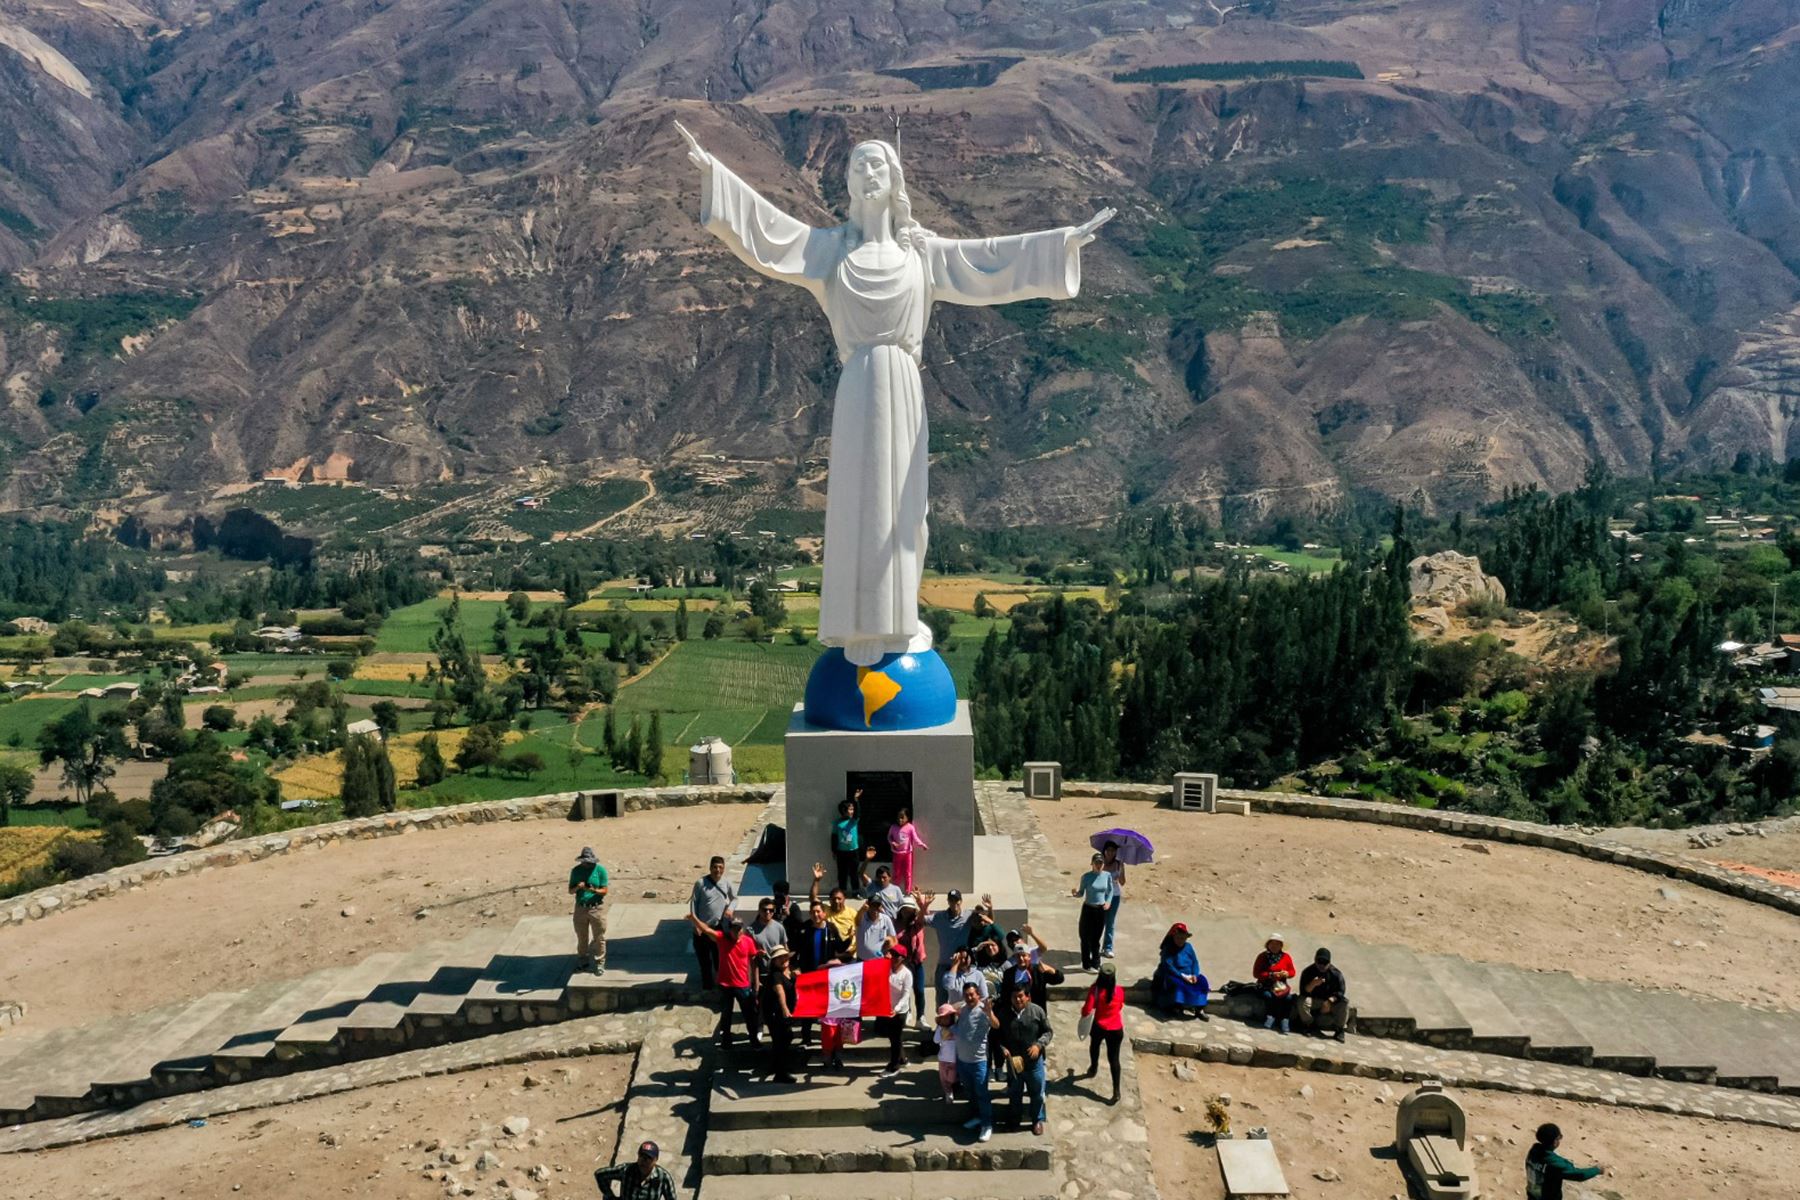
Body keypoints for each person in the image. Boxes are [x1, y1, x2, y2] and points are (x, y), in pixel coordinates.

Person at [687, 912, 757, 1051]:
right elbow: (707, 930)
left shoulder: (748, 941)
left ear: (742, 929)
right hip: (725, 984)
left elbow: (753, 962)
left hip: (743, 985)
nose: (737, 932)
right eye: (734, 929)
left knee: (749, 1014)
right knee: (726, 1015)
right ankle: (726, 1042)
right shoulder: (721, 939)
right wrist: (694, 919)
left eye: (739, 929)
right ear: (729, 929)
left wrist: (754, 982)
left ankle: (754, 1040)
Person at [999, 984, 1052, 1136]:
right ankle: (1015, 1120)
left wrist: (1038, 1045)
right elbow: (999, 1037)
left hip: (1034, 1064)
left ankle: (1037, 1120)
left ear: (1027, 997)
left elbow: (1048, 1032)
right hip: (1014, 1064)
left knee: (1036, 1094)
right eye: (1014, 997)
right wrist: (1003, 1049)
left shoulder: (1037, 1011)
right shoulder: (1004, 1014)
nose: (1018, 999)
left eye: (1021, 996)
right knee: (1015, 1094)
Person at [953, 982, 996, 1143]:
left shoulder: (983, 1010)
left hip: (979, 1062)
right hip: (963, 1061)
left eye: (972, 994)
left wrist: (990, 1013)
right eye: (967, 995)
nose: (969, 997)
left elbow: (996, 1025)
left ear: (978, 994)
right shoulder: (962, 1009)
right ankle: (977, 1117)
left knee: (982, 1094)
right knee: (970, 1093)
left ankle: (987, 1124)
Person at [687, 855, 738, 991]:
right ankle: (707, 986)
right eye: (715, 867)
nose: (717, 870)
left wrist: (730, 909)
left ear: (724, 869)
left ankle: (721, 985)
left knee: (719, 959)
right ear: (710, 868)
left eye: (720, 867)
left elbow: (734, 899)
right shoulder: (700, 883)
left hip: (718, 929)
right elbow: (693, 905)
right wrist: (696, 925)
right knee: (704, 960)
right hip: (702, 928)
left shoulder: (727, 883)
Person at [1080, 960, 1125, 1104]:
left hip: (1099, 1026)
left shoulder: (1095, 990)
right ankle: (1116, 1090)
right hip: (1116, 1029)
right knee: (1114, 1059)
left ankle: (1093, 1068)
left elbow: (1087, 1010)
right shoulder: (1119, 990)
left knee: (1094, 1046)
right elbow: (1120, 1007)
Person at [745, 897, 788, 1041]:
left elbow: (785, 948)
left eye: (771, 910)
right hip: (761, 971)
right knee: (760, 1002)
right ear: (759, 910)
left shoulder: (779, 927)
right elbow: (748, 955)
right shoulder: (751, 930)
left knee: (778, 1001)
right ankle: (759, 1026)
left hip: (777, 972)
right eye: (765, 910)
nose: (768, 913)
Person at [1525, 1123, 1604, 1199]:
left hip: (1533, 1196)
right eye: (1559, 1137)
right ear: (1555, 1141)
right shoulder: (1554, 1163)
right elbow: (1580, 1175)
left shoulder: (1533, 1151)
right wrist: (1597, 1169)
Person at [923, 888, 972, 1004]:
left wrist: (989, 909)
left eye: (956, 900)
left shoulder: (969, 916)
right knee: (941, 1000)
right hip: (944, 965)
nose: (954, 903)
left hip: (962, 966)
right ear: (948, 901)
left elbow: (987, 921)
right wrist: (924, 906)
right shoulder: (939, 917)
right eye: (951, 900)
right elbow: (921, 921)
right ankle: (942, 1022)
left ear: (961, 901)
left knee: (963, 1000)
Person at [1070, 852, 1117, 971]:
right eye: (1096, 863)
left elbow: (1110, 891)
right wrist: (1075, 894)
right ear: (1092, 864)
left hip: (1100, 910)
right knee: (1085, 937)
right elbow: (1081, 893)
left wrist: (1108, 902)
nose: (1099, 865)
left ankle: (1096, 963)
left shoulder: (1107, 876)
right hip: (1088, 909)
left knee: (1096, 938)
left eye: (1101, 863)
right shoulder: (1086, 877)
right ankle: (1086, 964)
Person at [1153, 923, 1209, 1019]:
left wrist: (1194, 974)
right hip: (1174, 974)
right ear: (1173, 937)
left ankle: (1199, 1009)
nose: (1180, 941)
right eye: (1178, 938)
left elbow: (1194, 962)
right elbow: (1168, 966)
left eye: (1183, 938)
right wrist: (1182, 976)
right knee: (1178, 985)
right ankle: (1177, 1007)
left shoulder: (1189, 947)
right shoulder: (1168, 949)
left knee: (1203, 982)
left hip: (1189, 974)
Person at [568, 846, 609, 975]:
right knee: (582, 937)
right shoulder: (576, 871)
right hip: (581, 908)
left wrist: (593, 890)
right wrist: (578, 887)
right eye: (585, 862)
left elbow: (605, 890)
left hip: (596, 908)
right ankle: (583, 961)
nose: (587, 864)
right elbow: (570, 890)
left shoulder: (600, 870)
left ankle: (599, 963)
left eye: (589, 862)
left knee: (599, 937)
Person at [761, 946, 798, 1083]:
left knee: (785, 1038)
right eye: (779, 958)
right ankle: (780, 1073)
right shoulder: (776, 975)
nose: (783, 960)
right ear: (774, 961)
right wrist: (785, 1009)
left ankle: (776, 1066)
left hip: (781, 1013)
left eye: (785, 957)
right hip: (776, 1013)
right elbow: (780, 991)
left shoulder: (788, 972)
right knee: (781, 1040)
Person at [593, 1139, 676, 1200]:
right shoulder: (626, 1170)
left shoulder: (663, 1178)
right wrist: (610, 1196)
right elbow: (600, 1174)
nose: (644, 1161)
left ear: (656, 1160)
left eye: (648, 1158)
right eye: (642, 1156)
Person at [1296, 947, 1348, 1041]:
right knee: (1301, 1001)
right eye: (1319, 962)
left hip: (1329, 1001)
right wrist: (1312, 984)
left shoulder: (1335, 974)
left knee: (1344, 1003)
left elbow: (1341, 991)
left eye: (1325, 963)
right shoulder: (1308, 972)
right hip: (1314, 1000)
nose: (1322, 965)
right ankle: (1308, 1024)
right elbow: (1303, 992)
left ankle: (1339, 1029)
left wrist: (1330, 1001)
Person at [894, 897, 928, 1025]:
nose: (907, 912)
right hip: (902, 963)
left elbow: (922, 915)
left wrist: (923, 905)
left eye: (910, 910)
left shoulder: (917, 923)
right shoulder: (895, 924)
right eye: (905, 910)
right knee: (905, 989)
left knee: (919, 990)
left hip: (917, 962)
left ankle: (921, 1017)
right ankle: (907, 1012)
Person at [880, 946, 914, 1076]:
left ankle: (894, 1066)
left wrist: (897, 1009)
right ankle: (903, 1059)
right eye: (892, 954)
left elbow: (906, 995)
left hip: (899, 1012)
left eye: (897, 956)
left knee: (895, 1039)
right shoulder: (886, 969)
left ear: (903, 958)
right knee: (894, 1037)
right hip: (887, 1010)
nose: (893, 958)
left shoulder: (906, 974)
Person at [1254, 932, 1298, 1034]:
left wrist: (1286, 974)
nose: (1274, 946)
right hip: (1265, 985)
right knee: (1268, 996)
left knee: (1288, 998)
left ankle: (1285, 1020)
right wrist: (1270, 975)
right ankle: (1270, 1017)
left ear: (1281, 946)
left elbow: (1292, 972)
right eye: (1272, 944)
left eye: (1277, 944)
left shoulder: (1286, 957)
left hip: (1280, 986)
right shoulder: (1262, 956)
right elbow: (1256, 973)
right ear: (1268, 945)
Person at [808, 863, 859, 943]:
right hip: (832, 952)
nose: (836, 901)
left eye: (839, 899)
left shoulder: (852, 913)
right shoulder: (825, 910)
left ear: (844, 899)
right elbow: (813, 898)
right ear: (830, 900)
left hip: (850, 953)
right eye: (834, 899)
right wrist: (817, 880)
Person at [887, 806, 929, 891]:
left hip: (907, 854)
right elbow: (889, 837)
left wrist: (922, 845)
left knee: (908, 873)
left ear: (907, 817)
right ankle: (896, 890)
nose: (900, 820)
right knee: (897, 873)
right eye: (898, 817)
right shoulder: (893, 827)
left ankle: (908, 891)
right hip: (897, 854)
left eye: (902, 817)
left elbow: (915, 838)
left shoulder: (910, 827)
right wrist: (892, 842)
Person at [832, 795, 864, 894]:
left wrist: (856, 800)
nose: (852, 811)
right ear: (843, 810)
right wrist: (834, 850)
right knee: (842, 873)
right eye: (850, 809)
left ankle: (856, 891)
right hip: (841, 852)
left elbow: (858, 813)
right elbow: (834, 837)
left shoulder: (853, 821)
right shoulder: (837, 823)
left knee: (854, 872)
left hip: (853, 851)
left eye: (852, 809)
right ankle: (842, 891)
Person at [1100, 840, 1126, 958]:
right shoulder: (1099, 862)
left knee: (1110, 922)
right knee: (1098, 922)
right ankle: (1095, 946)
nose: (1110, 853)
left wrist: (1121, 870)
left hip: (1114, 896)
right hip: (1100, 895)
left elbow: (1122, 882)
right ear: (1104, 851)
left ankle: (1108, 947)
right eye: (1108, 850)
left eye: (1113, 851)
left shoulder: (1119, 864)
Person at [964, 896, 1005, 967]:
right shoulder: (971, 933)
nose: (980, 923)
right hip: (981, 964)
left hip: (997, 963)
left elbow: (1001, 935)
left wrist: (990, 910)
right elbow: (971, 946)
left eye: (982, 920)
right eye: (976, 921)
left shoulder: (988, 928)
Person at [855, 895, 897, 961]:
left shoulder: (886, 919)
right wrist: (862, 909)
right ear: (868, 905)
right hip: (862, 960)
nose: (875, 909)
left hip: (879, 960)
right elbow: (857, 921)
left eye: (877, 906)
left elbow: (894, 940)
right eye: (872, 906)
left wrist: (890, 946)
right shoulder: (862, 917)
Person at [932, 1002, 959, 1101]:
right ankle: (948, 1093)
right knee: (943, 1079)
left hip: (954, 1059)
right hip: (943, 1058)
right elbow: (936, 1040)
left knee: (951, 1077)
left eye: (947, 1017)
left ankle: (954, 1085)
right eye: (942, 1018)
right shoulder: (940, 1028)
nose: (945, 1019)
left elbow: (959, 1038)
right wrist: (940, 1030)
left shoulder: (955, 1028)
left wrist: (951, 1032)